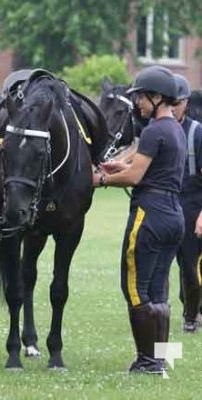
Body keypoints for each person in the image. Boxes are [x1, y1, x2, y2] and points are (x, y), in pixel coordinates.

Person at [93, 65, 186, 374]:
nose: (138, 104)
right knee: (159, 291)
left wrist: (99, 181)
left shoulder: (153, 131)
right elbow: (151, 169)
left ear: (158, 97)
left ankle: (147, 363)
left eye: (142, 98)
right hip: (174, 216)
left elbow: (135, 177)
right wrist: (118, 169)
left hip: (150, 215)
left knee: (135, 288)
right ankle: (162, 360)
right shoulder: (176, 130)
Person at [173, 73, 202, 333]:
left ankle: (192, 314)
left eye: (177, 102)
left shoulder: (197, 131)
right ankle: (159, 315)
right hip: (165, 204)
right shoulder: (156, 129)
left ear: (186, 103)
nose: (172, 107)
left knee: (190, 267)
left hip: (192, 204)